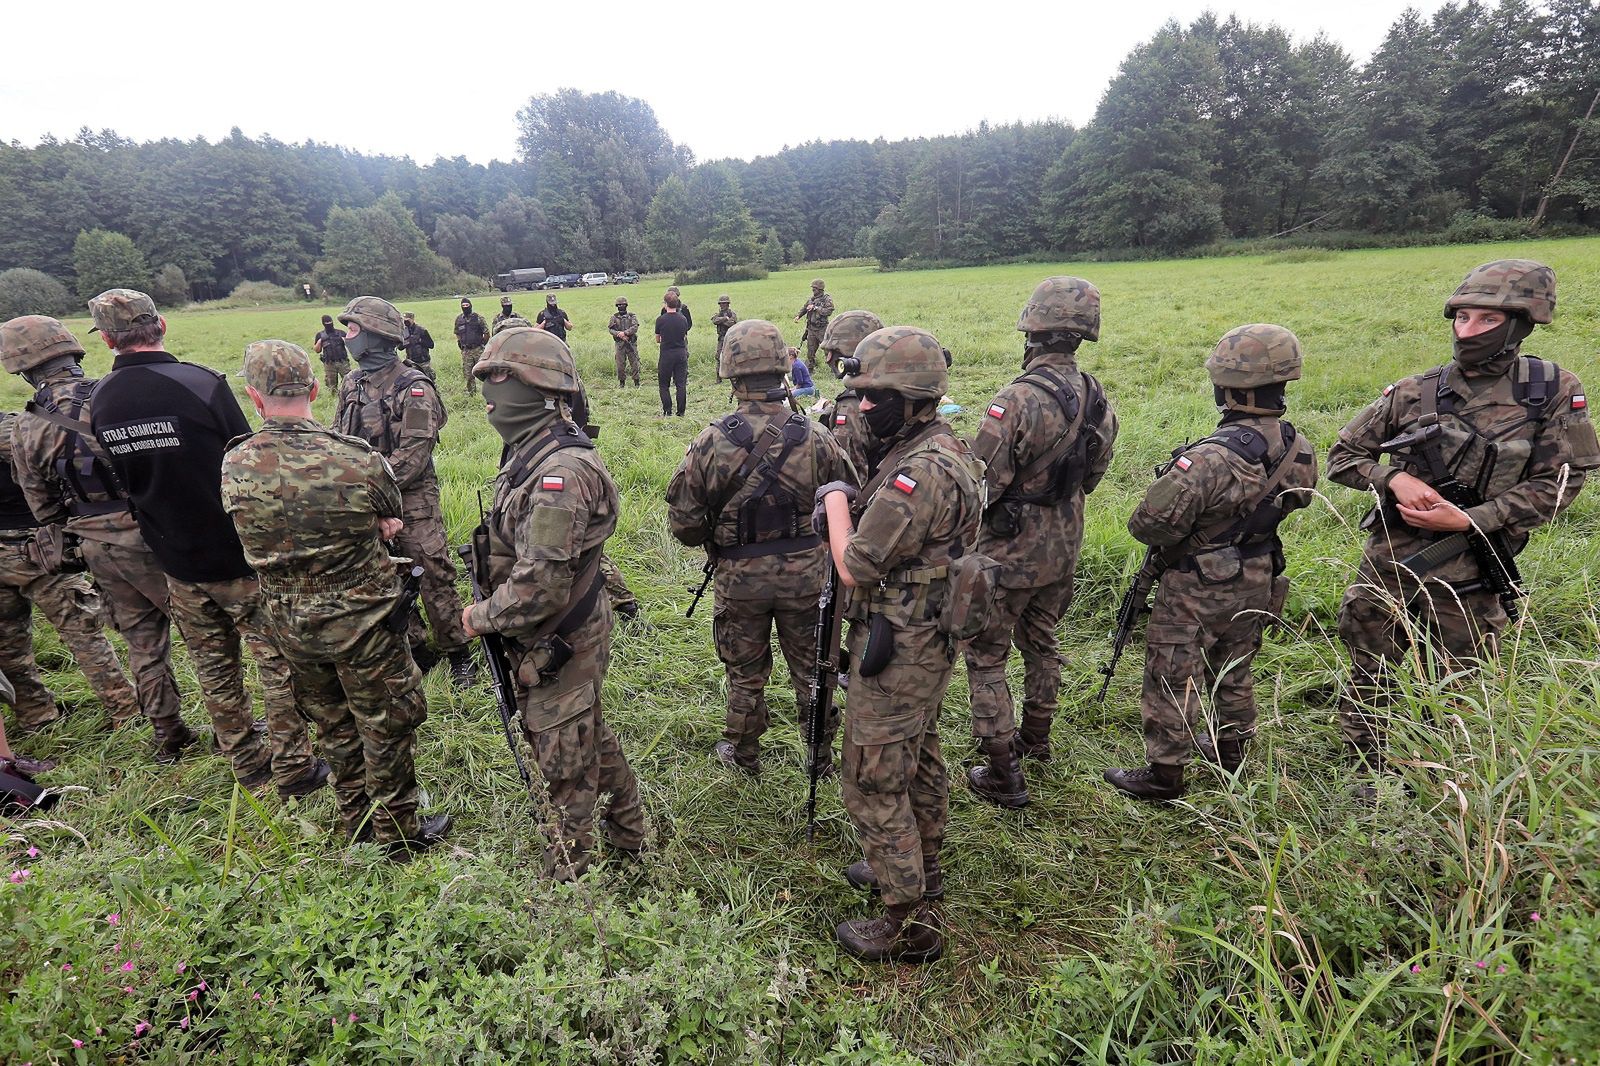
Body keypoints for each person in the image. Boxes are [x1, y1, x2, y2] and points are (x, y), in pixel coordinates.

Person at [1328, 259, 1597, 792]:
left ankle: (1445, 776)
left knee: (1462, 676)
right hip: (1394, 557)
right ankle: (1368, 760)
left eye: (1486, 321)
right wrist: (1392, 479)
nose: (1467, 332)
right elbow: (1342, 456)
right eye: (1462, 318)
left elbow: (1561, 483)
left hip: (1475, 566)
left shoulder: (1550, 392)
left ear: (1521, 324)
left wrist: (1473, 519)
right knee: (1369, 654)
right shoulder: (1415, 392)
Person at [85, 289, 326, 796]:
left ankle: (248, 766)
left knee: (214, 668)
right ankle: (295, 769)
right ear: (163, 325)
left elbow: (119, 477)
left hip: (175, 559)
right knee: (276, 662)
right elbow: (249, 460)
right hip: (239, 555)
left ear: (107, 339)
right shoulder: (201, 384)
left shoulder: (101, 400)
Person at [223, 339, 450, 853]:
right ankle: (399, 830)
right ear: (316, 388)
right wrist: (375, 524)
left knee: (330, 722)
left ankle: (355, 821)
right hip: (363, 616)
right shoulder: (356, 459)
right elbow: (391, 515)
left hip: (288, 620)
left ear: (254, 398)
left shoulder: (235, 462)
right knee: (384, 720)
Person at [815, 325, 983, 964]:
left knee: (872, 777)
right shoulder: (949, 448)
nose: (863, 407)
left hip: (901, 639)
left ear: (914, 399)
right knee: (920, 753)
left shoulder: (918, 473)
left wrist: (835, 503)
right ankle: (923, 866)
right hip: (928, 634)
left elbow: (857, 563)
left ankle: (906, 921)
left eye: (875, 396)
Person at [1104, 324, 1318, 800]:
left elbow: (1147, 525)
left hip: (1197, 580)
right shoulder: (1296, 445)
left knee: (1172, 671)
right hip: (1260, 570)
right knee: (1235, 665)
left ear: (1227, 386)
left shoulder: (1209, 457)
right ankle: (1232, 752)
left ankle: (1165, 773)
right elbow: (1300, 499)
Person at [461, 325, 645, 879]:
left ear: (537, 387)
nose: (488, 391)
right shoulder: (532, 452)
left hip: (558, 633)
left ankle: (571, 868)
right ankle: (630, 831)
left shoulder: (559, 473)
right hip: (550, 631)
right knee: (583, 726)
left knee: (561, 754)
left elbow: (540, 587)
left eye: (499, 377)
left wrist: (478, 617)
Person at [666, 320, 855, 775]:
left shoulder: (711, 441)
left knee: (746, 674)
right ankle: (820, 757)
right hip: (808, 576)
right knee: (814, 668)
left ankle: (744, 755)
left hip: (740, 580)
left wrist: (721, 537)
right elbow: (850, 499)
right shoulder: (816, 435)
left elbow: (685, 524)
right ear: (782, 368)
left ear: (731, 372)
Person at [4, 314, 194, 761]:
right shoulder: (112, 397)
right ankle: (234, 726)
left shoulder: (26, 427)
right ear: (73, 352)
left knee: (142, 641)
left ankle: (167, 733)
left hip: (96, 545)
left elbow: (42, 506)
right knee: (201, 633)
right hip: (152, 532)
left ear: (23, 369)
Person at [964, 278, 1118, 807]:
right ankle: (1036, 739)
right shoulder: (1097, 395)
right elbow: (1095, 474)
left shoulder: (1017, 399)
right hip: (1064, 544)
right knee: (1043, 642)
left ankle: (1002, 768)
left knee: (985, 654)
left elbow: (979, 481)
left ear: (1032, 330)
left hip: (1008, 551)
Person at [333, 296, 476, 688]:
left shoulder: (412, 387)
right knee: (389, 574)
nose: (347, 337)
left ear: (376, 336)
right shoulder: (351, 382)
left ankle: (457, 650)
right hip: (367, 500)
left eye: (353, 329)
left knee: (431, 571)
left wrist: (372, 494)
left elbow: (412, 458)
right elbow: (339, 444)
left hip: (411, 500)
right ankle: (416, 647)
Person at [0, 404, 141, 736]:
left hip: (26, 546)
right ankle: (124, 709)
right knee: (83, 633)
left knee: (9, 646)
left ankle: (37, 716)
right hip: (39, 549)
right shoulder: (18, 430)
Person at [492, 316, 641, 623]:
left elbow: (576, 415)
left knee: (573, 545)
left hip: (555, 452)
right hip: (536, 450)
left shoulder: (554, 381)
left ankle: (621, 600)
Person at [815, 310, 883, 477]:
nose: (827, 359)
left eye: (831, 352)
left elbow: (848, 475)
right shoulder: (893, 389)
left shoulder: (852, 404)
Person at [655, 293, 691, 417]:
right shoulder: (683, 319)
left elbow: (658, 339)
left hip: (666, 355)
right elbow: (684, 335)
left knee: (664, 385)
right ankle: (681, 412)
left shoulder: (661, 320)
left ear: (665, 304)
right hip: (681, 354)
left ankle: (667, 411)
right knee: (681, 384)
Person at [794, 279, 835, 368]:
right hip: (811, 328)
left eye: (814, 289)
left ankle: (834, 367)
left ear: (820, 289)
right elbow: (804, 308)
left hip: (822, 328)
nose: (812, 291)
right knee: (810, 350)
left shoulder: (826, 299)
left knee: (827, 349)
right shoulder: (811, 299)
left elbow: (828, 311)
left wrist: (816, 308)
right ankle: (809, 368)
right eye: (812, 289)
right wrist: (798, 316)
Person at [454, 298, 490, 397]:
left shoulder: (478, 318)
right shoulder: (459, 319)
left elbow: (486, 333)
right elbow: (457, 333)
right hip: (466, 351)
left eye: (467, 305)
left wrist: (482, 344)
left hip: (478, 349)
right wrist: (460, 342)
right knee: (468, 375)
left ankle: (489, 392)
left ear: (471, 305)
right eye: (463, 306)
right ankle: (472, 394)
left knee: (484, 372)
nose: (465, 308)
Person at [313, 314, 350, 393]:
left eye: (330, 322)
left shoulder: (341, 333)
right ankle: (334, 399)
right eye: (326, 322)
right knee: (331, 386)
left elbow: (351, 345)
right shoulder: (320, 335)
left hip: (342, 362)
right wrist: (320, 341)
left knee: (349, 381)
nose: (329, 324)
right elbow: (317, 350)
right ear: (323, 323)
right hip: (329, 364)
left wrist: (345, 340)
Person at [608, 297, 641, 387]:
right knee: (620, 365)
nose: (621, 306)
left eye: (622, 305)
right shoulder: (614, 317)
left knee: (634, 363)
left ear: (626, 305)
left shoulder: (632, 316)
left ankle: (636, 382)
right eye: (619, 305)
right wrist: (619, 334)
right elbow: (610, 329)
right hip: (619, 344)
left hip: (631, 343)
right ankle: (622, 383)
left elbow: (635, 327)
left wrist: (625, 333)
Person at [399, 312, 436, 382]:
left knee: (429, 381)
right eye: (404, 320)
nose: (406, 321)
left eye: (408, 320)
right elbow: (400, 347)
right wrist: (407, 342)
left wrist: (419, 341)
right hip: (411, 362)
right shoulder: (403, 331)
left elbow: (431, 345)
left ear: (413, 319)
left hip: (423, 362)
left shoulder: (421, 330)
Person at [710, 296, 738, 364]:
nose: (722, 305)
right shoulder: (718, 314)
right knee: (719, 356)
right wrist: (725, 318)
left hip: (730, 337)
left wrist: (721, 321)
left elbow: (731, 323)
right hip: (721, 338)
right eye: (720, 304)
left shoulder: (732, 314)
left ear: (728, 304)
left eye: (724, 303)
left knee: (732, 356)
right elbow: (714, 320)